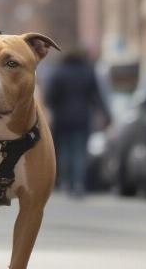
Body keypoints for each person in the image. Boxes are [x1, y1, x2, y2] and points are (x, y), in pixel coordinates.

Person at [45, 48, 110, 197]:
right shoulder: (88, 71)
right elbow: (97, 96)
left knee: (64, 151)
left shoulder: (59, 72)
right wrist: (106, 115)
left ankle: (66, 182)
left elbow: (50, 97)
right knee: (80, 152)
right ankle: (78, 183)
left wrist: (55, 107)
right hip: (82, 118)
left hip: (63, 119)